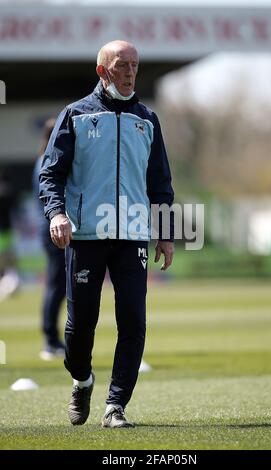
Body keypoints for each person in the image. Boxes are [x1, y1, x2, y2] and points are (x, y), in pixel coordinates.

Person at [39, 40, 174, 428]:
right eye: (122, 65)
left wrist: (164, 232)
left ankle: (115, 406)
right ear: (103, 70)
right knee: (80, 324)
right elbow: (51, 174)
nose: (131, 72)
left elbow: (160, 181)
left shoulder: (148, 119)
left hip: (133, 236)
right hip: (84, 235)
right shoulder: (75, 115)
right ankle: (82, 380)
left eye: (135, 65)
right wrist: (56, 214)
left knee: (133, 321)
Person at [33, 118, 66, 360]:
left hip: (49, 227)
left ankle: (52, 338)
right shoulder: (47, 161)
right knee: (56, 285)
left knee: (57, 285)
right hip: (52, 227)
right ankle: (50, 340)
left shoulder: (42, 159)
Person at [0, 169, 20, 301]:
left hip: (5, 231)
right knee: (8, 261)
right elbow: (16, 206)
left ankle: (6, 284)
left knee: (4, 262)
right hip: (7, 230)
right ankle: (8, 283)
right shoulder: (10, 192)